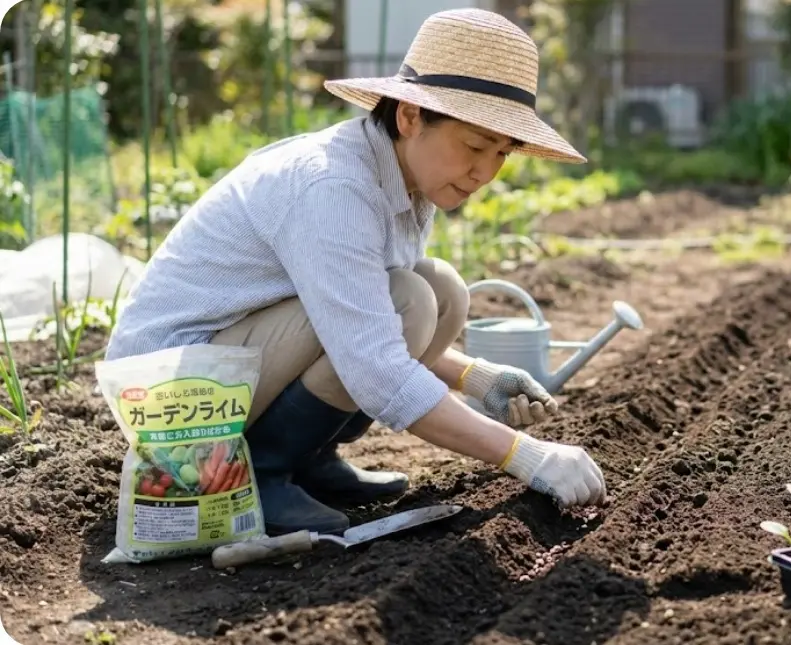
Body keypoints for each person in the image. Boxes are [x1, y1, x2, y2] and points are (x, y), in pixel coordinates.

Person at [103, 8, 608, 536]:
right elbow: (376, 365)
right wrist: (528, 456)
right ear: (411, 116)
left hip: (233, 365)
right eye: (475, 145)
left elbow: (364, 317)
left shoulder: (406, 182)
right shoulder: (334, 188)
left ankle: (309, 458)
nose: (485, 172)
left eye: (502, 153)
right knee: (408, 299)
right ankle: (261, 473)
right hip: (167, 397)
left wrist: (476, 377)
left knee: (440, 293)